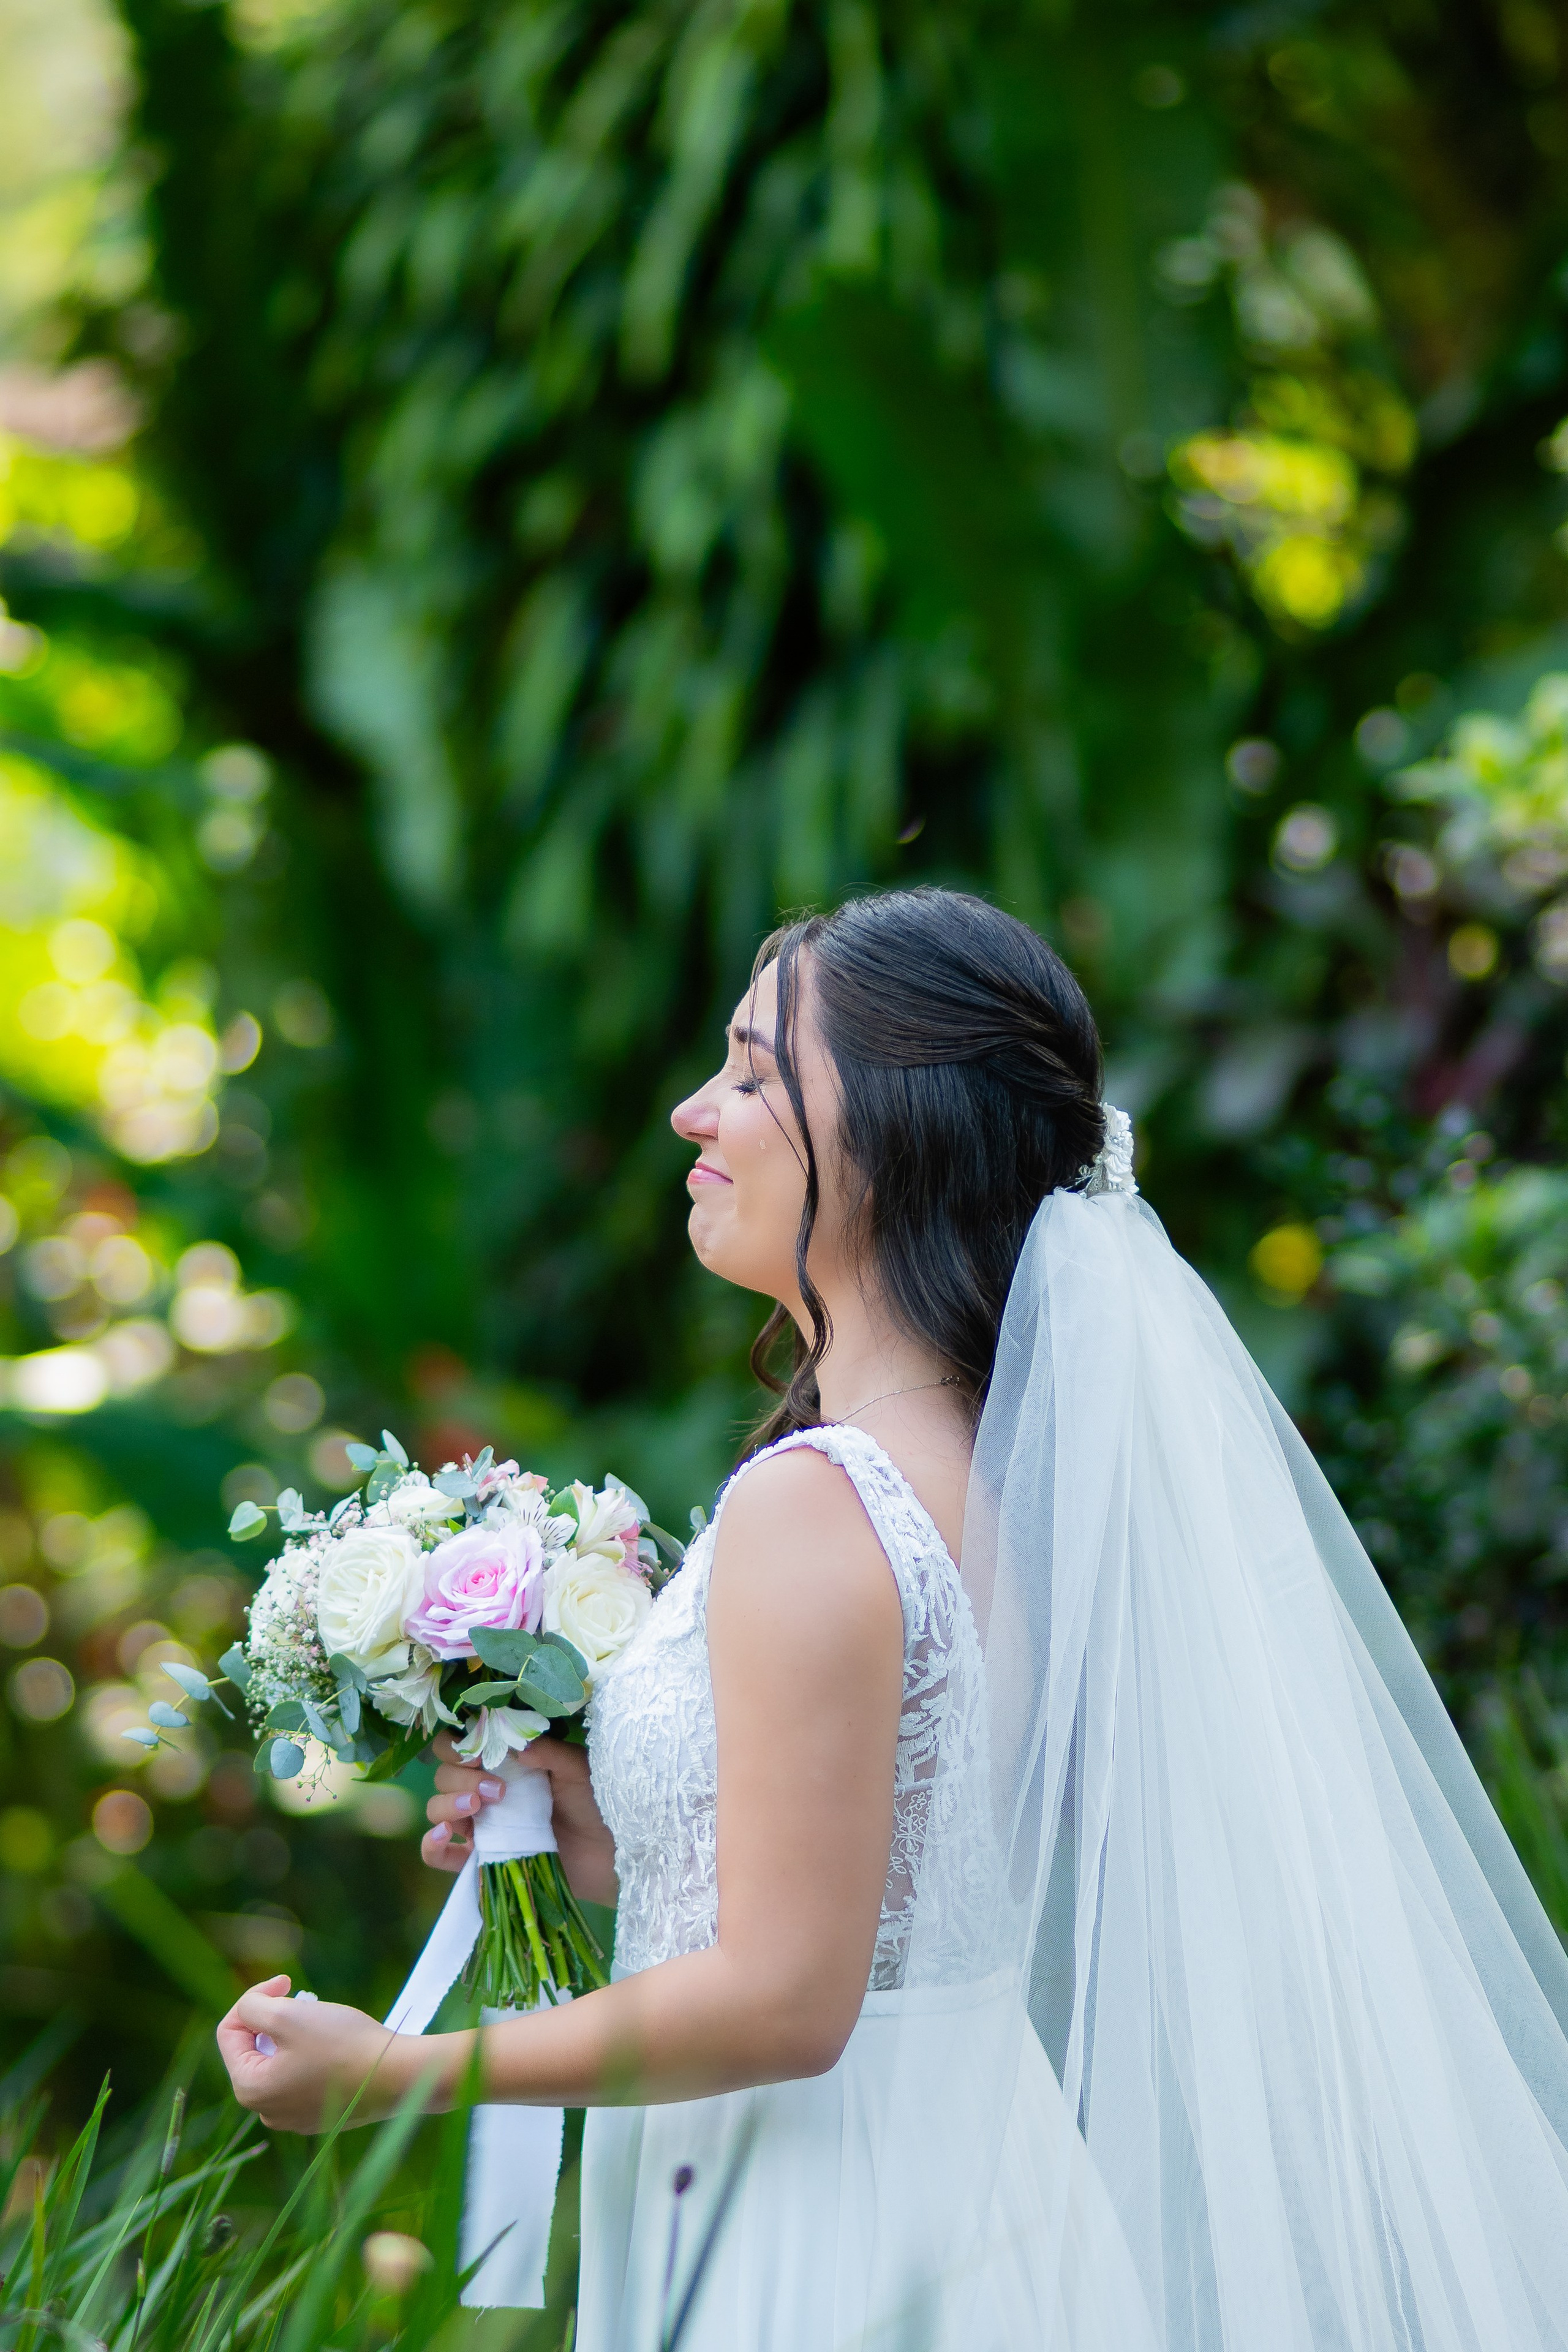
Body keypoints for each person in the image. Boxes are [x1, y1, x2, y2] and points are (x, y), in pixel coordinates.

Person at [218, 888, 1568, 2351]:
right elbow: (902, 1895)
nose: (691, 1112)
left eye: (749, 1075)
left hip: (822, 2226)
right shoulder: (995, 1471)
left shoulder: (822, 1499)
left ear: (889, 1136)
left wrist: (394, 2072)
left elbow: (791, 2000)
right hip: (970, 2185)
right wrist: (600, 1836)